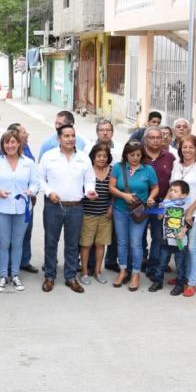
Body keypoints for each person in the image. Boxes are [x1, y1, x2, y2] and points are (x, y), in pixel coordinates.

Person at [38, 124, 97, 294]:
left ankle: (70, 277)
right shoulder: (48, 157)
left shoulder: (84, 158)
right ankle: (49, 276)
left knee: (72, 245)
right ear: (59, 138)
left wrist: (90, 191)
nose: (70, 139)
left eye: (73, 135)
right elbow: (40, 179)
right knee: (51, 242)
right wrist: (49, 192)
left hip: (76, 207)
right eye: (66, 136)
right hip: (54, 206)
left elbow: (89, 180)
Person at [0, 131, 39, 293]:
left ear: (19, 144)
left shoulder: (29, 163)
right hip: (2, 208)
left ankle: (15, 275)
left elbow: (35, 183)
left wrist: (30, 191)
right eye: (6, 143)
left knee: (17, 243)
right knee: (3, 243)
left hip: (22, 209)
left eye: (13, 142)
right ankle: (3, 275)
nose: (10, 145)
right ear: (3, 145)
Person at [109, 141, 159, 292]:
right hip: (120, 210)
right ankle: (123, 270)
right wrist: (124, 195)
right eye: (132, 155)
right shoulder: (118, 167)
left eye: (138, 155)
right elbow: (111, 187)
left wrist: (151, 198)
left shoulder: (148, 169)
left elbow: (155, 187)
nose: (135, 158)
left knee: (135, 243)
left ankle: (136, 273)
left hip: (139, 212)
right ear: (126, 154)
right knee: (122, 242)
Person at [168, 134, 196, 297]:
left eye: (191, 147)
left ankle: (191, 282)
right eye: (184, 147)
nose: (187, 150)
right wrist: (166, 203)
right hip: (176, 213)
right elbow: (172, 187)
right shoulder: (176, 164)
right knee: (179, 246)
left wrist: (190, 212)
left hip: (195, 214)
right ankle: (182, 276)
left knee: (192, 247)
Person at [142, 126, 176, 277]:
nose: (156, 140)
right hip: (140, 204)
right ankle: (139, 262)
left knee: (157, 236)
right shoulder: (139, 155)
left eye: (158, 137)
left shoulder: (169, 157)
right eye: (152, 137)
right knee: (138, 235)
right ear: (145, 139)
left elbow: (173, 181)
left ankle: (152, 266)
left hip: (161, 203)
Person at [148, 180, 191, 295]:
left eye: (175, 191)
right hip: (166, 239)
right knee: (162, 262)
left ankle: (180, 284)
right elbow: (159, 218)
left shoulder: (187, 204)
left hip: (180, 241)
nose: (172, 193)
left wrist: (183, 231)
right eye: (171, 190)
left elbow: (191, 220)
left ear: (184, 195)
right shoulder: (166, 202)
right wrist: (161, 209)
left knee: (180, 265)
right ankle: (158, 281)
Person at [79, 144, 113, 286]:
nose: (101, 159)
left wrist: (111, 207)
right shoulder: (87, 170)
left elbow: (115, 190)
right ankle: (85, 272)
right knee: (86, 245)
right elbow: (80, 190)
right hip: (88, 214)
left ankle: (98, 271)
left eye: (104, 156)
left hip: (105, 215)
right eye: (98, 156)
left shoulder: (112, 171)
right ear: (93, 157)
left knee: (100, 244)